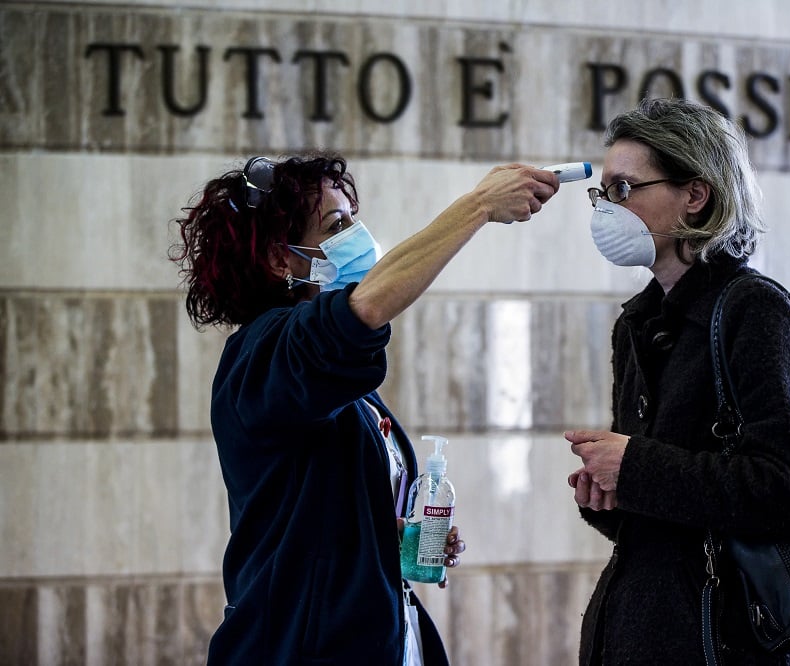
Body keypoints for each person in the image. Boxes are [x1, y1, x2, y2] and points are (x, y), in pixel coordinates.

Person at [170, 152, 560, 665]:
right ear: (278, 259)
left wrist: (383, 536)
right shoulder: (265, 354)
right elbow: (363, 311)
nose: (358, 236)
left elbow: (312, 513)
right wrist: (479, 206)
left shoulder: (320, 375)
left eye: (353, 218)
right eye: (337, 225)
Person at [565, 97, 790, 665]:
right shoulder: (638, 322)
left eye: (623, 188)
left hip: (724, 641)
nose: (607, 209)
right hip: (641, 630)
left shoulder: (755, 311)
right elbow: (677, 524)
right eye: (602, 192)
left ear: (694, 194)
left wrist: (634, 467)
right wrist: (611, 497)